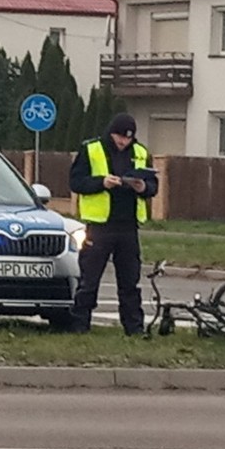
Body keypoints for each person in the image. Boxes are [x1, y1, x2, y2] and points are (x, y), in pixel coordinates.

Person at [69, 113, 158, 335]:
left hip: (128, 227)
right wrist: (102, 182)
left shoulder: (141, 152)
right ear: (111, 132)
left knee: (130, 282)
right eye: (120, 137)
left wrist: (142, 188)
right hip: (100, 227)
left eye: (128, 138)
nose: (123, 142)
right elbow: (76, 182)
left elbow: (153, 186)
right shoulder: (91, 149)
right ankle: (80, 325)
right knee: (89, 280)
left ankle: (134, 328)